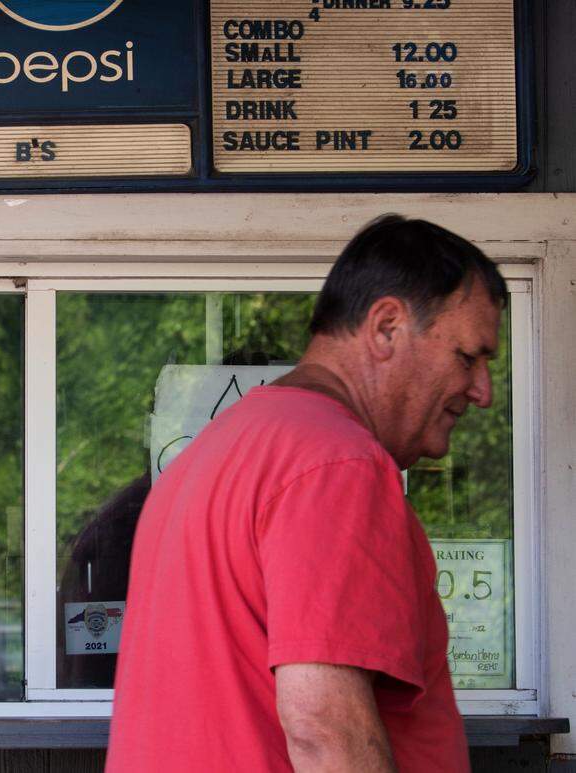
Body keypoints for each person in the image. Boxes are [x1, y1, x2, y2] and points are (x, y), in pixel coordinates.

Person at [107, 215, 505, 772]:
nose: (482, 390)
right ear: (387, 327)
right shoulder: (336, 462)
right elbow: (324, 729)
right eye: (468, 356)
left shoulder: (209, 457)